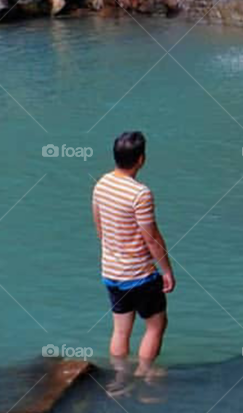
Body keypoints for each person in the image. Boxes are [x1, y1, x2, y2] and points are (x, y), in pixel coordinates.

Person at [92, 131, 176, 376]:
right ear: (141, 159)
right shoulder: (140, 194)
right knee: (156, 325)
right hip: (139, 275)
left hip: (111, 273)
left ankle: (119, 377)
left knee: (120, 329)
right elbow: (151, 237)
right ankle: (144, 375)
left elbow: (99, 228)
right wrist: (167, 270)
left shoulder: (101, 184)